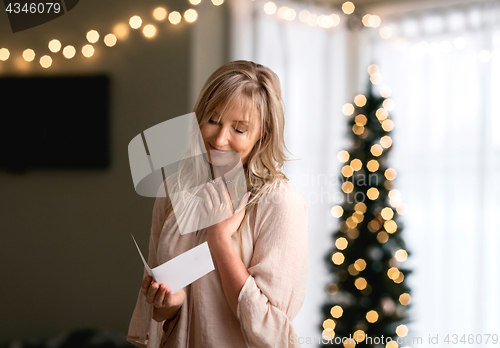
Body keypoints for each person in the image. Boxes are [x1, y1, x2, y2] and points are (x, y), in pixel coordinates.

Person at [127, 60, 309, 348]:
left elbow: (271, 332)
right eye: (212, 120)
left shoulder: (279, 202)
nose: (220, 139)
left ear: (263, 133)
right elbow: (160, 314)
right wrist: (168, 303)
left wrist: (219, 238)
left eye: (239, 128)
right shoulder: (173, 191)